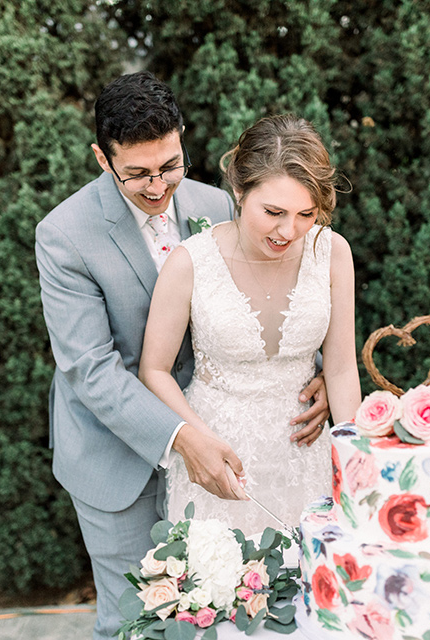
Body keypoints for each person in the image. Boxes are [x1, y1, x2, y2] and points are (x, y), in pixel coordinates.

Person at [34, 73, 329, 640]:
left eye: (168, 165)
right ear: (102, 157)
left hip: (225, 442)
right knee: (138, 622)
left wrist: (305, 372)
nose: (156, 185)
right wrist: (182, 437)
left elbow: (256, 304)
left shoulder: (216, 201)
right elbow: (90, 368)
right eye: (137, 173)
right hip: (115, 456)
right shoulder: (64, 235)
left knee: (229, 614)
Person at [139, 114, 362, 536]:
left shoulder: (332, 253)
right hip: (218, 463)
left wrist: (355, 465)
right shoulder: (190, 261)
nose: (288, 230)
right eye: (273, 211)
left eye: (305, 214)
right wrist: (195, 440)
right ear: (239, 191)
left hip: (308, 459)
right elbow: (154, 370)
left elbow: (340, 368)